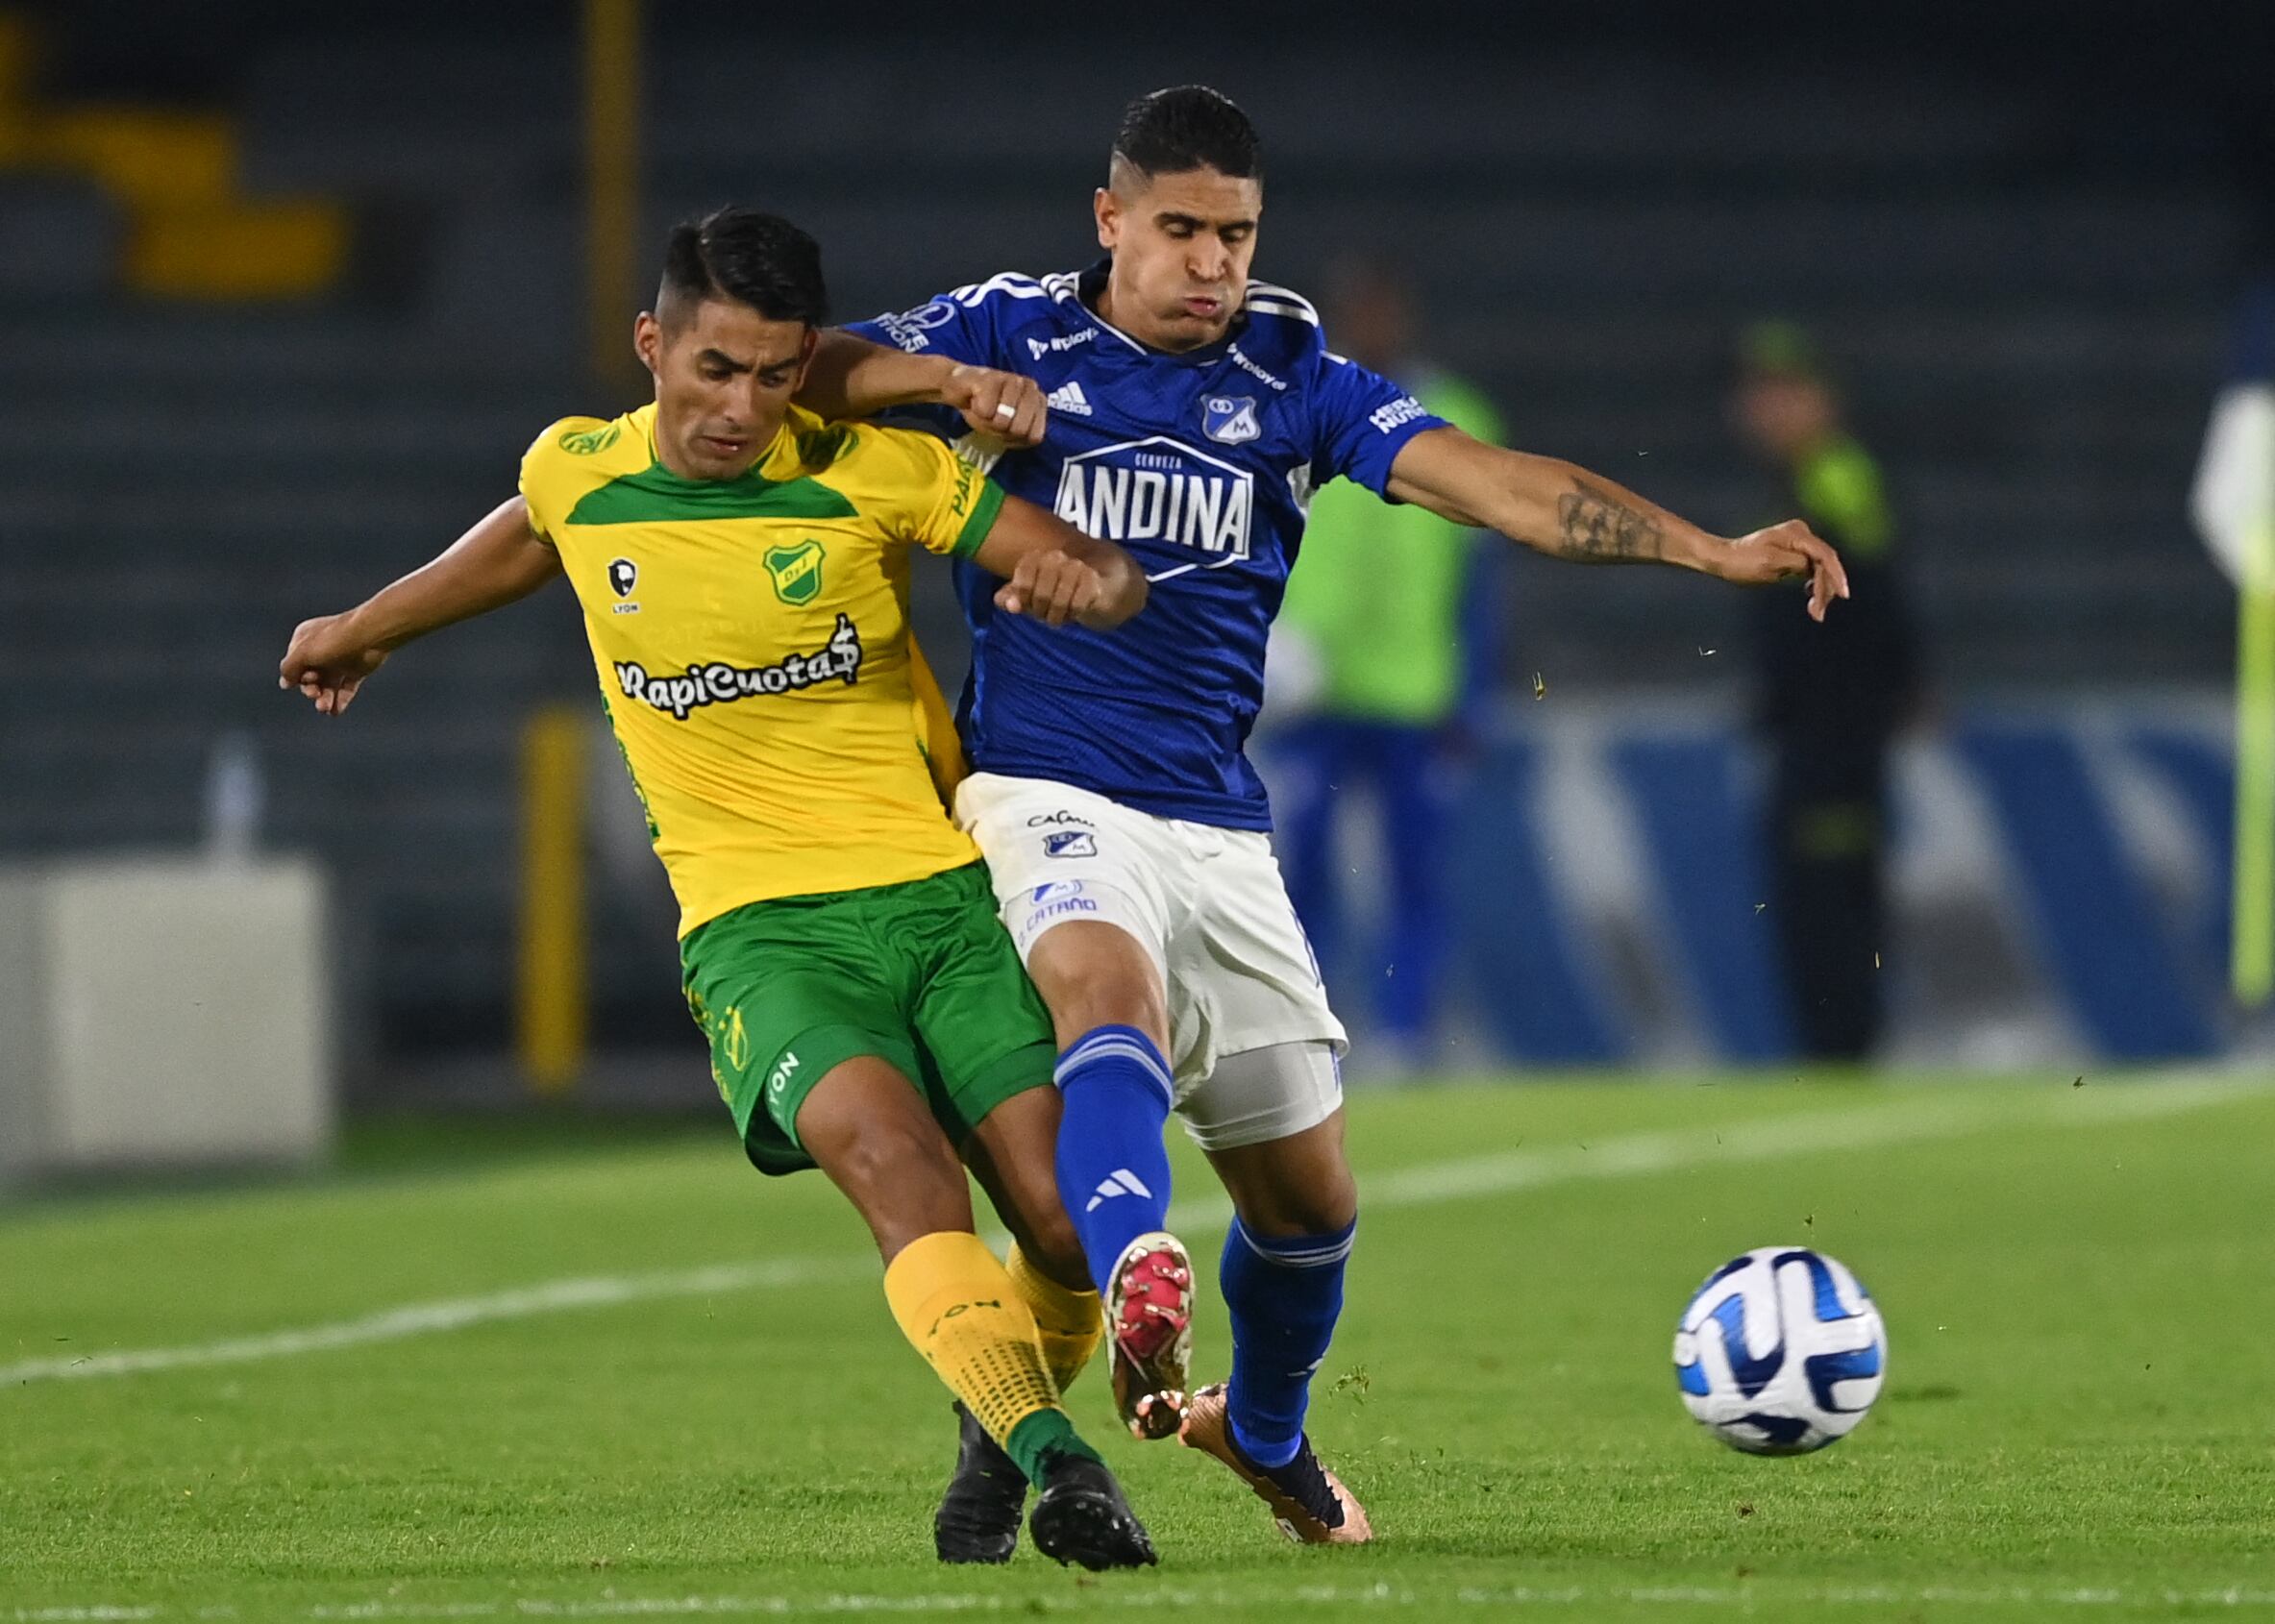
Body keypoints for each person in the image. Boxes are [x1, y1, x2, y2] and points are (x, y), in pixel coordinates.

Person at [797, 86, 1849, 1546]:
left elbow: (1501, 489)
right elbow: (811, 367)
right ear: (1110, 219)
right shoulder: (1011, 329)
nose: (1211, 261)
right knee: (1105, 994)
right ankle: (1141, 1269)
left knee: (1309, 1206)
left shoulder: (1293, 371)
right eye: (1180, 228)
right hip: (1041, 782)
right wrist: (945, 387)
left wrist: (1710, 550)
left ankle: (1262, 1427)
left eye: (1235, 233)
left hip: (1216, 821)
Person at [277, 208, 1159, 1571]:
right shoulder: (579, 471)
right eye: (714, 370)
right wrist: (360, 628)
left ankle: (992, 1428)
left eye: (773, 374)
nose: (741, 408)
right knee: (901, 1171)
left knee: (1057, 1214)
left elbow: (1099, 568)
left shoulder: (877, 472)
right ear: (652, 344)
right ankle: (1060, 1463)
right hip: (761, 935)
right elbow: (523, 538)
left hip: (937, 899)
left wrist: (1085, 585)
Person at [1269, 257, 1506, 1070]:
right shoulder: (1297, 403)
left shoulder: (1459, 414)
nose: (1370, 325)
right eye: (1356, 310)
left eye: (1381, 309)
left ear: (1403, 315)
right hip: (1311, 690)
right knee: (1300, 872)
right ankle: (1309, 1030)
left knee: (1415, 875)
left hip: (1416, 693)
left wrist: (1471, 691)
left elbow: (1479, 575)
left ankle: (1405, 1035)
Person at [1731, 322, 1924, 1060]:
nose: (1765, 409)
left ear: (1824, 400)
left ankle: (1843, 1044)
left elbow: (1873, 593)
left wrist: (1884, 689)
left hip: (1833, 733)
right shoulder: (1804, 478)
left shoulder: (1834, 476)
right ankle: (1838, 1043)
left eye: (1784, 392)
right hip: (1817, 728)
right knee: (1822, 890)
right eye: (1757, 393)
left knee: (1827, 891)